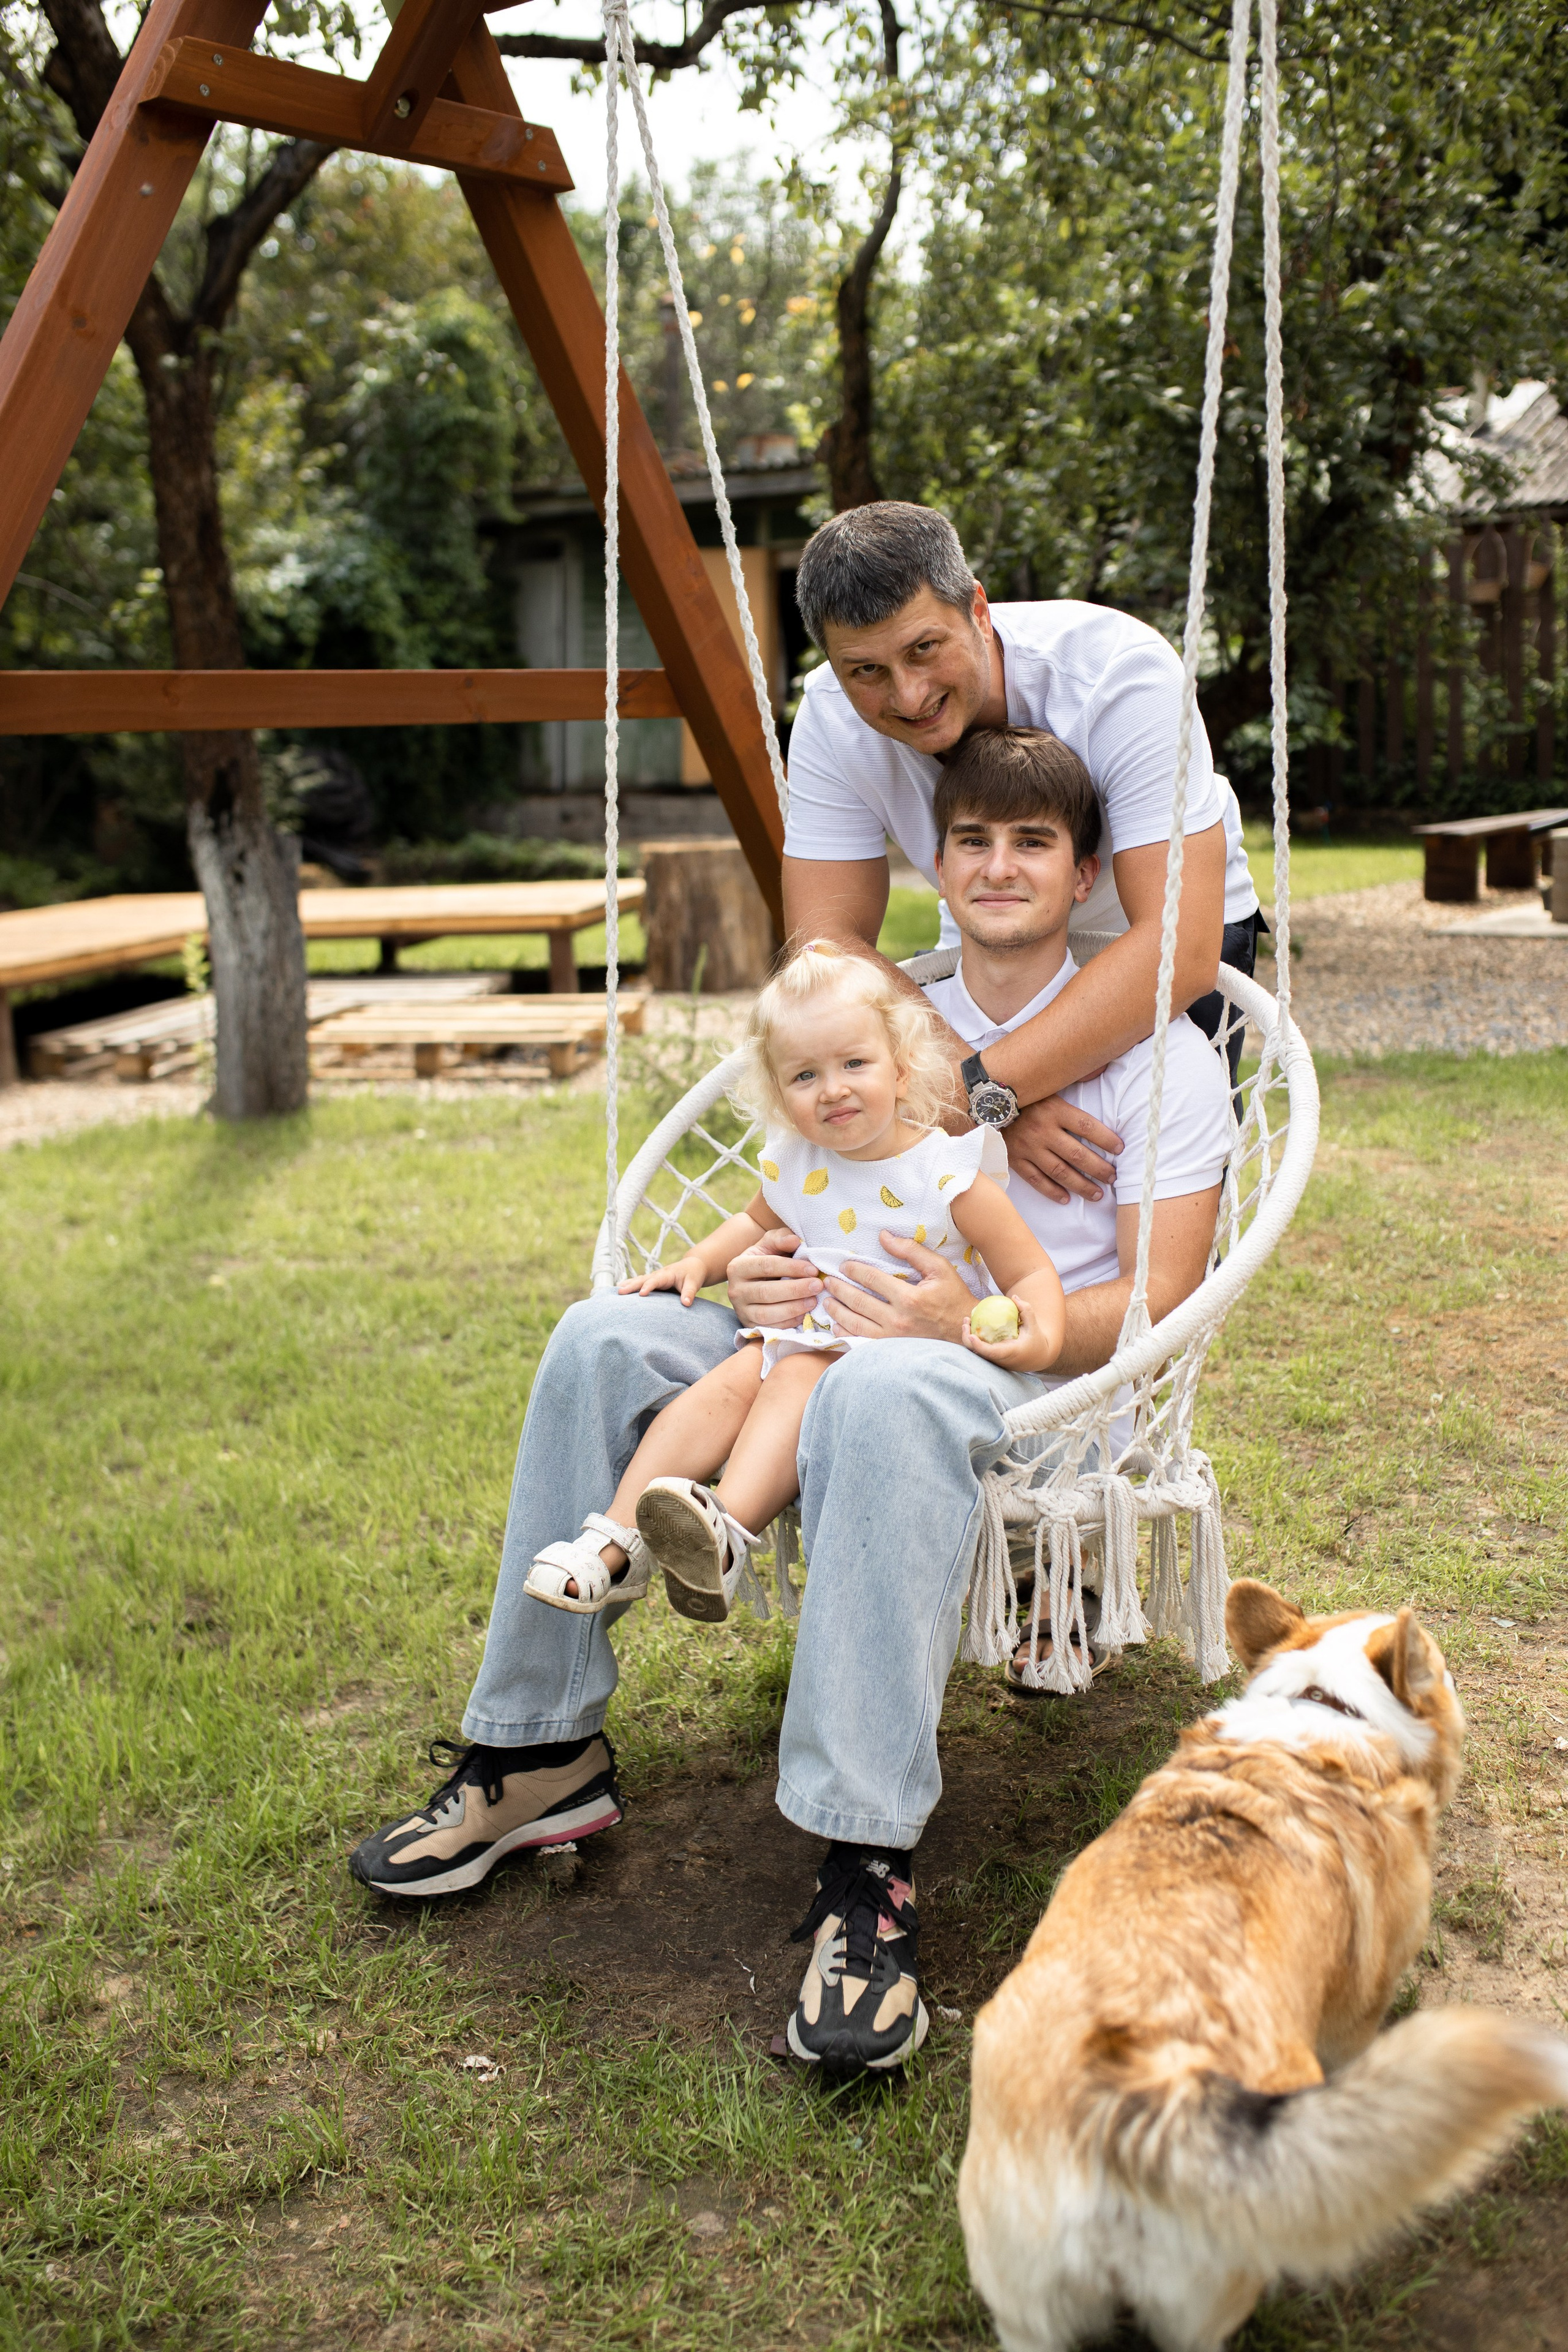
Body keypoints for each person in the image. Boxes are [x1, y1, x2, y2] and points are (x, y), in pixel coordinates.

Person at [347, 719, 1232, 2082]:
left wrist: (970, 1325)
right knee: (602, 1339)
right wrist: (736, 1268)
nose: (998, 867)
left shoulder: (1163, 1063)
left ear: (1087, 869)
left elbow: (1155, 1306)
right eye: (972, 841)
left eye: (1033, 842)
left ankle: (864, 1863)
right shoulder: (876, 1028)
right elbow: (803, 1172)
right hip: (805, 1330)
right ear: (933, 862)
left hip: (1019, 1375)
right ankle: (534, 1754)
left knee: (876, 1388)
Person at [521, 942, 1067, 1625]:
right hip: (805, 1336)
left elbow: (1029, 1271)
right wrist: (698, 1263)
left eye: (854, 1064)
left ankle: (722, 1533)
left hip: (900, 1362)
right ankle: (615, 1541)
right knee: (726, 1382)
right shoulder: (800, 1164)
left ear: (901, 1070)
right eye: (804, 1076)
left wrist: (1038, 1335)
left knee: (787, 1376)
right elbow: (752, 1222)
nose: (832, 1088)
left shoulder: (947, 1173)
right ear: (780, 1095)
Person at [775, 500, 1260, 1211]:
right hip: (989, 929)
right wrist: (1001, 1103)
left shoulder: (1119, 672)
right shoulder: (826, 715)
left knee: (1146, 1204)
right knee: (969, 1204)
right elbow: (824, 948)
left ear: (977, 609)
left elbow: (1177, 944)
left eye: (922, 649)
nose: (907, 696)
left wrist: (977, 1093)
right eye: (865, 671)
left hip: (1151, 934)